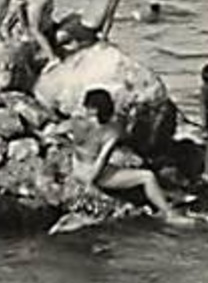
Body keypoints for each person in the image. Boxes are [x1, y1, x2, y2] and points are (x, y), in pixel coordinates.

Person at [76, 88, 191, 226]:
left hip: (78, 169)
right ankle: (168, 213)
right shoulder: (112, 131)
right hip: (93, 174)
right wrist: (90, 183)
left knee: (119, 166)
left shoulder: (76, 123)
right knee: (147, 176)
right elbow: (102, 158)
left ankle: (165, 195)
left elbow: (53, 134)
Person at [25, 0, 65, 64]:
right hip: (38, 39)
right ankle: (52, 59)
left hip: (47, 33)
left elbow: (22, 7)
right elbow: (34, 28)